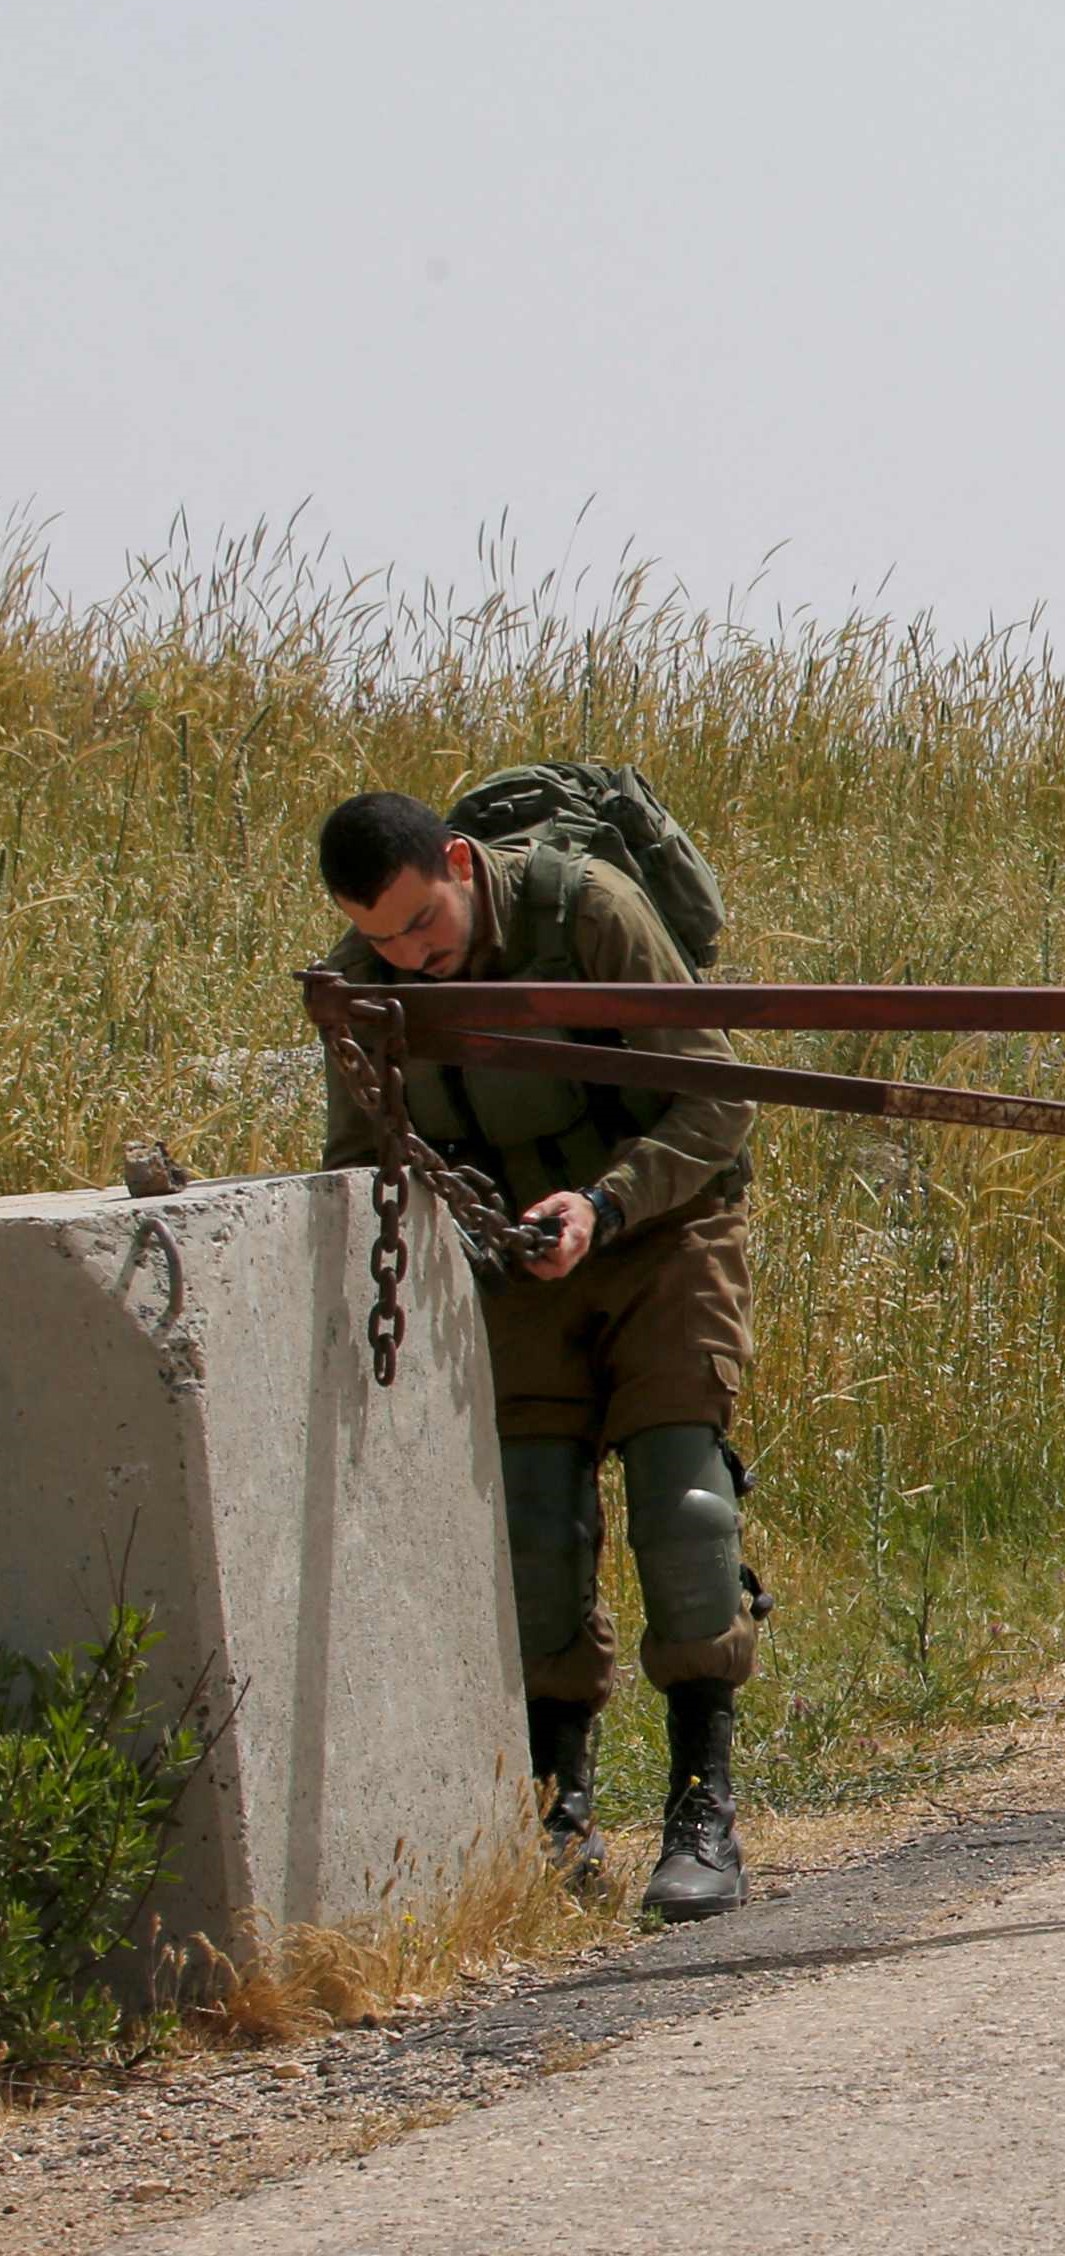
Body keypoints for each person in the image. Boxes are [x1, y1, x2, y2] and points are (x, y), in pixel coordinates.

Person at [313, 790, 763, 1921]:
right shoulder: (360, 983)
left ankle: (702, 1811)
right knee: (535, 1528)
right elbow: (360, 1154)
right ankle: (561, 1822)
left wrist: (604, 1207)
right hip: (511, 1258)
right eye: (383, 940)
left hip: (663, 1230)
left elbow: (718, 1100)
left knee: (686, 1507)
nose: (410, 955)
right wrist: (463, 1235)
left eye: (424, 925)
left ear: (460, 863)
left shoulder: (592, 911)